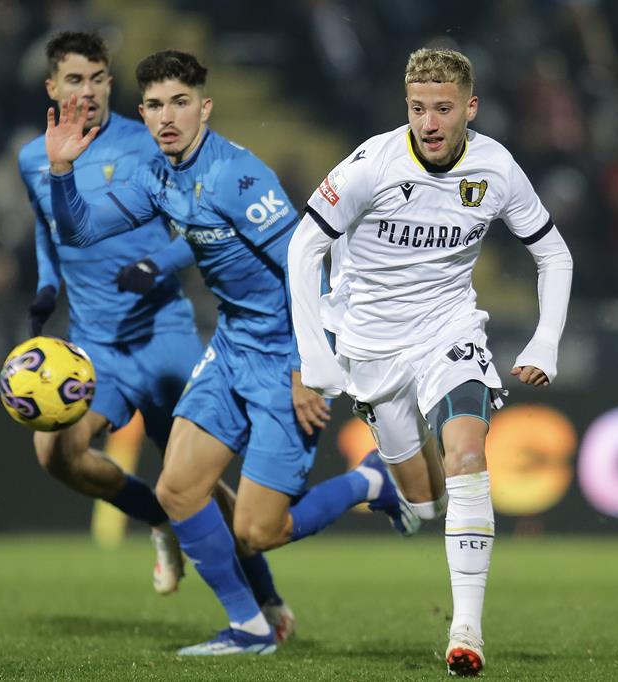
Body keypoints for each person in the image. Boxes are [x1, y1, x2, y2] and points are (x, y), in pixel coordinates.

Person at [44, 49, 417, 656]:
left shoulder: (238, 179)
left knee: (257, 530)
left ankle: (369, 482)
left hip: (286, 353)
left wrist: (305, 369)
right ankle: (249, 628)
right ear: (143, 113)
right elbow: (79, 229)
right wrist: (62, 172)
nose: (169, 117)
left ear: (205, 108)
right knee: (176, 491)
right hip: (232, 345)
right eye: (157, 105)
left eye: (181, 103)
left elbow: (307, 266)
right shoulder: (156, 177)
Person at [287, 48, 573, 677]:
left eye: (443, 109)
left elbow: (554, 253)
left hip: (447, 330)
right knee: (423, 506)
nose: (429, 122)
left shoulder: (496, 167)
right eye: (418, 108)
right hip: (368, 346)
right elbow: (304, 247)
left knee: (469, 456)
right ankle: (385, 485)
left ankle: (465, 629)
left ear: (469, 108)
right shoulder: (372, 165)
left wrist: (546, 338)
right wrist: (316, 356)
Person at [18, 34, 291, 635]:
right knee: (56, 453)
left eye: (96, 78)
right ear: (52, 88)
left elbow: (198, 224)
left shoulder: (150, 141)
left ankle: (265, 599)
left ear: (112, 84)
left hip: (162, 331)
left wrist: (157, 266)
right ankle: (158, 519)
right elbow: (54, 230)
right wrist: (45, 284)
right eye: (73, 80)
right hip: (95, 341)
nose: (85, 90)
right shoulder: (37, 156)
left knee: (194, 477)